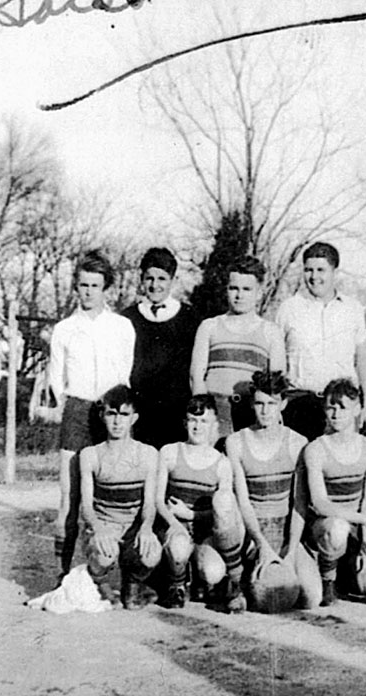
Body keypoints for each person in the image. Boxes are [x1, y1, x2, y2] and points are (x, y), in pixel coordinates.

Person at [48, 250, 136, 578]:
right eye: (83, 285)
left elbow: (124, 375)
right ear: (76, 286)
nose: (88, 291)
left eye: (95, 285)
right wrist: (73, 406)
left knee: (112, 493)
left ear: (106, 288)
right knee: (69, 497)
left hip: (111, 411)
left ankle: (110, 576)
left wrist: (114, 413)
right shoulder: (64, 329)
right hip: (77, 409)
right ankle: (62, 573)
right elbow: (57, 381)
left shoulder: (122, 327)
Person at [226, 369, 322, 609]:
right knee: (266, 599)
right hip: (252, 533)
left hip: (286, 532)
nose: (265, 410)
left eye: (272, 403)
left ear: (284, 403)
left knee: (312, 598)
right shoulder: (236, 442)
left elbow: (299, 504)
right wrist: (261, 546)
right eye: (259, 403)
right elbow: (243, 502)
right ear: (252, 404)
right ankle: (237, 581)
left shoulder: (298, 443)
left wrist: (290, 552)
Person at [155, 394, 247, 612]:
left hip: (205, 533)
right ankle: (177, 585)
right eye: (193, 420)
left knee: (213, 571)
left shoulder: (222, 463)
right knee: (178, 549)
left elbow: (224, 512)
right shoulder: (169, 452)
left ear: (214, 425)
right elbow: (158, 500)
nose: (198, 427)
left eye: (204, 421)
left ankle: (202, 579)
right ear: (185, 422)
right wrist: (176, 522)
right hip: (176, 528)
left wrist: (191, 515)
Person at [303, 378, 366, 607]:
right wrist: (365, 521)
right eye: (331, 407)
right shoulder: (316, 449)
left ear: (358, 408)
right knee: (337, 528)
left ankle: (351, 568)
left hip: (357, 527)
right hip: (326, 526)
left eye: (343, 407)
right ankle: (327, 578)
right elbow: (320, 504)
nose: (336, 414)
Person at [277, 242, 366, 442]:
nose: (314, 277)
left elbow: (363, 358)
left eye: (321, 270)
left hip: (341, 406)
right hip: (299, 404)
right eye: (308, 270)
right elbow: (276, 360)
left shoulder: (352, 309)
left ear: (334, 271)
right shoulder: (289, 309)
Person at [80, 385, 161, 609]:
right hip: (105, 524)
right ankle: (102, 584)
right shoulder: (90, 455)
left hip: (133, 526)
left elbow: (149, 504)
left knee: (152, 554)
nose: (117, 422)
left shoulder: (148, 454)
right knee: (105, 555)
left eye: (124, 415)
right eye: (111, 414)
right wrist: (98, 529)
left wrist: (146, 528)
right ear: (102, 416)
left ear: (134, 418)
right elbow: (86, 507)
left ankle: (132, 584)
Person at [190, 256, 285, 438]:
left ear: (259, 293)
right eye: (234, 288)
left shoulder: (271, 331)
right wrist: (202, 415)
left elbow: (276, 384)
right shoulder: (209, 326)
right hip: (216, 411)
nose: (239, 295)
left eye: (247, 289)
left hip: (253, 412)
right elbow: (196, 377)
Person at [122, 247, 198, 449]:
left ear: (173, 280)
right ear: (142, 279)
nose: (155, 285)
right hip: (139, 413)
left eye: (162, 278)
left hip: (176, 413)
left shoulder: (190, 319)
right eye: (149, 278)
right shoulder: (127, 319)